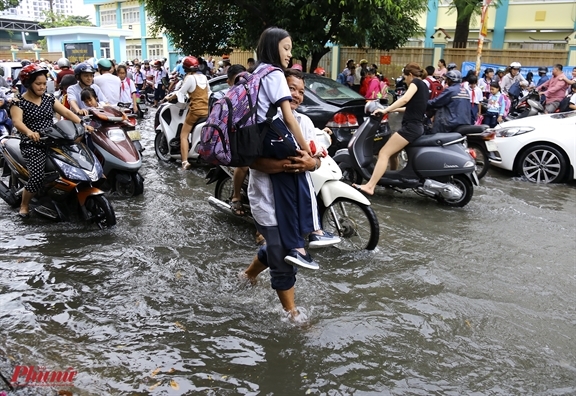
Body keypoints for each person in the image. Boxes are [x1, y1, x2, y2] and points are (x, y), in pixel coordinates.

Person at [241, 27, 324, 318]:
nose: (296, 96)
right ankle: (292, 313)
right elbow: (252, 161)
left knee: (278, 247)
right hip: (265, 197)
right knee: (280, 251)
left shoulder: (304, 123)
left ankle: (249, 274)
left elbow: (317, 159)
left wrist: (310, 162)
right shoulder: (268, 122)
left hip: (291, 201)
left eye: (301, 92)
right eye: (291, 90)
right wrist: (290, 165)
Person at [9, 64, 84, 218]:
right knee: (36, 177)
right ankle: (24, 205)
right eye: (38, 84)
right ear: (28, 83)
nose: (42, 87)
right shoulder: (18, 102)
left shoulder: (49, 98)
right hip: (33, 144)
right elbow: (17, 122)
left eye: (44, 84)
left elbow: (66, 112)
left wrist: (82, 125)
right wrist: (30, 132)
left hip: (54, 140)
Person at [353, 63, 429, 196]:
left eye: (405, 77)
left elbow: (405, 99)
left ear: (410, 75)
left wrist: (385, 110)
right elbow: (410, 108)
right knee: (393, 154)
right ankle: (391, 181)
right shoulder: (424, 86)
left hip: (411, 128)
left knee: (383, 153)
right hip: (416, 127)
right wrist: (391, 110)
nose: (404, 80)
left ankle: (370, 186)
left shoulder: (415, 83)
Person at [163, 56, 210, 170]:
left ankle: (184, 162)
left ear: (185, 68)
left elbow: (180, 92)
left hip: (195, 112)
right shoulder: (203, 77)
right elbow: (208, 92)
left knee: (183, 135)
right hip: (206, 111)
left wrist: (168, 98)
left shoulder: (189, 78)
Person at [427, 69, 471, 134]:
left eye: (447, 79)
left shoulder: (450, 90)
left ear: (450, 80)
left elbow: (436, 102)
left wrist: (422, 102)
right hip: (465, 122)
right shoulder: (465, 91)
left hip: (451, 123)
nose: (446, 81)